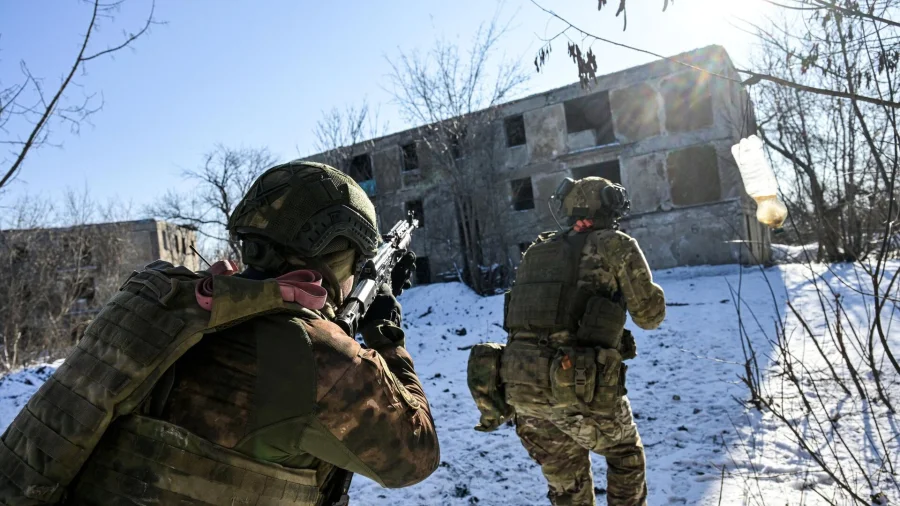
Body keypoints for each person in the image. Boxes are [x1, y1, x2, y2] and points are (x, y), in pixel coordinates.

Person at [0, 161, 439, 505]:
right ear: (337, 254)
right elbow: (416, 457)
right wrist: (387, 334)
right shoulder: (322, 358)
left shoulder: (174, 308)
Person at [470, 176, 665, 506]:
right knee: (625, 454)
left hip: (522, 392)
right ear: (607, 205)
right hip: (575, 388)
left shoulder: (537, 250)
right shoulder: (614, 244)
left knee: (567, 487)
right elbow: (650, 316)